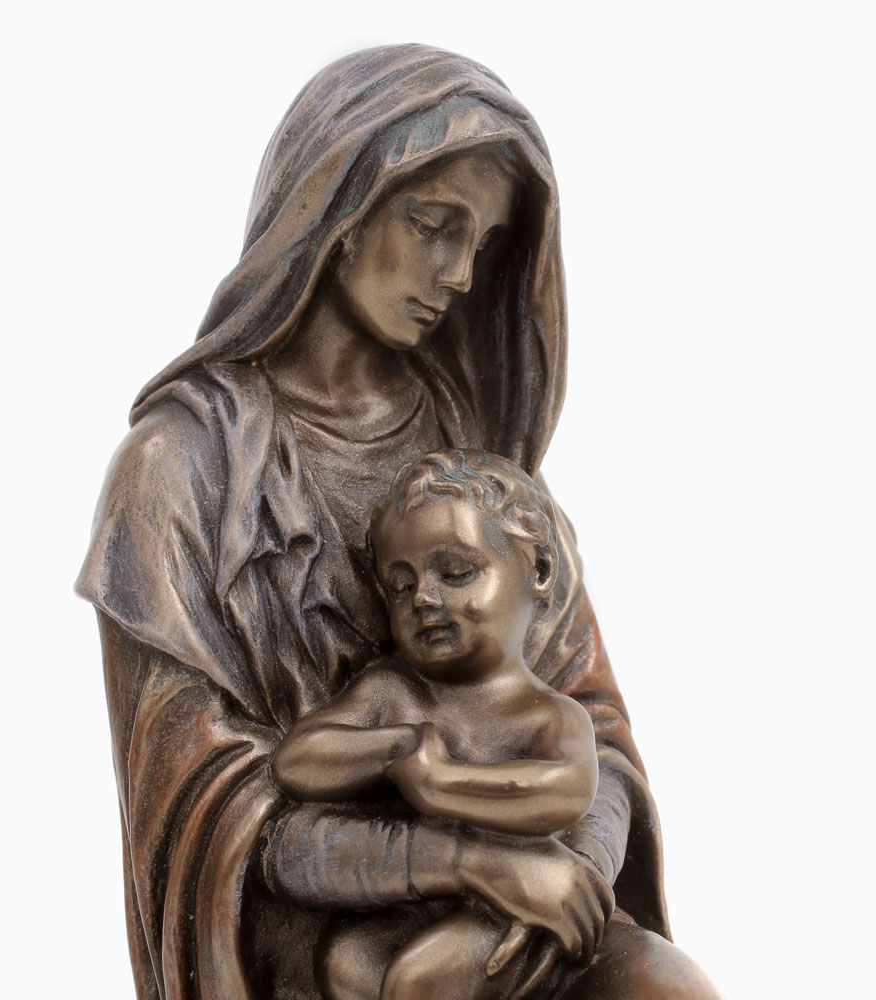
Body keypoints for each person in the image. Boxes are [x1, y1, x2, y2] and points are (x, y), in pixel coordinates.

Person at [76, 44, 722, 1000]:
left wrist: (571, 877)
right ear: (334, 209)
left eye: (481, 244)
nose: (457, 274)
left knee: (665, 988)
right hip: (322, 931)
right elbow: (211, 813)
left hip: (518, 899)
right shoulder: (178, 470)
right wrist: (462, 862)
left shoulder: (473, 451)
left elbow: (593, 727)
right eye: (431, 225)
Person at [271, 449, 602, 1000]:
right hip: (419, 893)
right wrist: (397, 747)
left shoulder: (551, 714)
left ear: (539, 571)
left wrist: (441, 783)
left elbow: (566, 789)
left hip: (518, 897)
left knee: (420, 981)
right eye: (401, 586)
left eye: (455, 573)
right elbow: (296, 760)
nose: (423, 598)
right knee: (345, 960)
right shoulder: (392, 692)